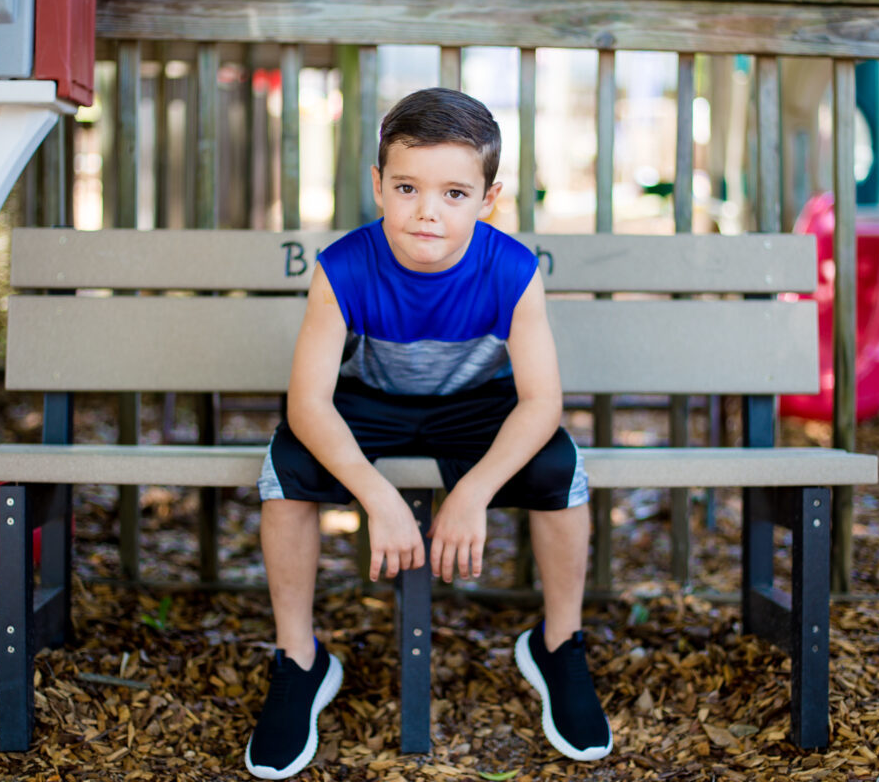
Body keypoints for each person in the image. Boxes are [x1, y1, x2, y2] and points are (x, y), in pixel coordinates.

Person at [244, 87, 612, 779]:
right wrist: (377, 498)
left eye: (454, 193)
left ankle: (558, 645)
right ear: (378, 184)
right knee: (289, 466)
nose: (427, 212)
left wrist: (471, 494)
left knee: (557, 469)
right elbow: (309, 404)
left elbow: (541, 402)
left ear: (488, 199)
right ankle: (299, 658)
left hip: (475, 405)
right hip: (371, 400)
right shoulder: (343, 267)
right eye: (408, 187)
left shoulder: (512, 270)